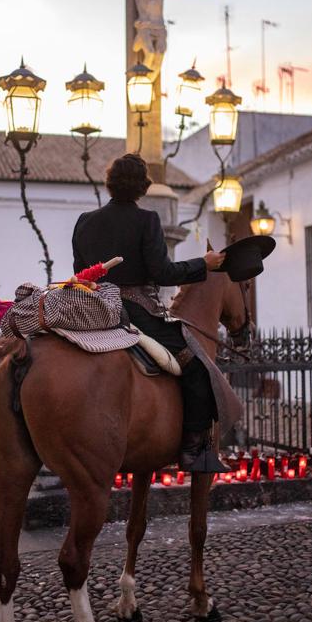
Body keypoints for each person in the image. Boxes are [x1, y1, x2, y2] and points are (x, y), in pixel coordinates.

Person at [72, 153, 227, 473]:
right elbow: (163, 273)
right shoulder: (147, 221)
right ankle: (191, 450)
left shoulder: (85, 221)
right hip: (133, 312)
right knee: (197, 367)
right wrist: (205, 264)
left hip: (91, 310)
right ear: (143, 188)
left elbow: (80, 271)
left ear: (110, 184)